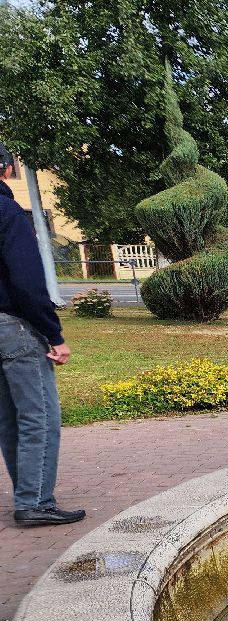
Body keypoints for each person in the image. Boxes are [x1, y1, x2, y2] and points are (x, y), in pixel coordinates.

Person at [0, 145, 83, 527]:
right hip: (13, 327)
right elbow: (27, 281)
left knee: (9, 419)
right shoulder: (8, 213)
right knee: (40, 415)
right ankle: (35, 502)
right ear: (6, 169)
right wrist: (54, 334)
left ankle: (26, 495)